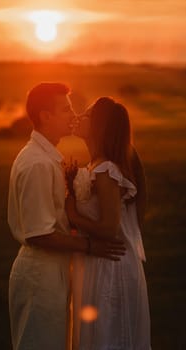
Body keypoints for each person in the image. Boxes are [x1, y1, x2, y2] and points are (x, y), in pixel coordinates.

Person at [7, 83, 126, 350]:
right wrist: (91, 247)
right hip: (41, 275)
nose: (73, 114)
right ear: (45, 116)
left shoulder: (48, 158)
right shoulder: (37, 163)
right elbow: (39, 234)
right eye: (65, 109)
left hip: (53, 271)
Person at [66, 97, 151, 349]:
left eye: (88, 115)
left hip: (110, 268)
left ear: (99, 127)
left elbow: (110, 228)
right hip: (96, 263)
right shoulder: (95, 165)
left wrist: (73, 215)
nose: (79, 117)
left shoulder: (106, 170)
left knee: (110, 338)